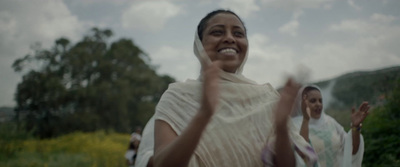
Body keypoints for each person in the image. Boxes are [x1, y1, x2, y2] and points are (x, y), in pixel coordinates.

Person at [152, 9, 318, 167]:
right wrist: (204, 114)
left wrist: (281, 129)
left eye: (238, 33)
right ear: (199, 44)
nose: (230, 38)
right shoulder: (178, 97)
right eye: (217, 32)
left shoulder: (267, 97)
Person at [292, 85, 370, 167]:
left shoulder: (330, 122)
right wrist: (306, 119)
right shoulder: (294, 126)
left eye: (320, 101)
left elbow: (351, 150)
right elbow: (302, 155)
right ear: (302, 103)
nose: (318, 104)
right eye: (313, 101)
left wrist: (355, 127)